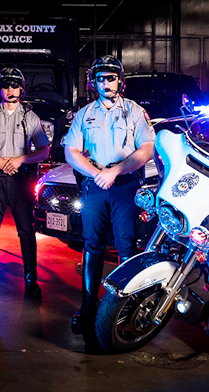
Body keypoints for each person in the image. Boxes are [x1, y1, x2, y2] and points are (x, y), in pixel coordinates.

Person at [63, 55, 155, 334]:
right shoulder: (84, 114)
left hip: (124, 186)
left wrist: (114, 172)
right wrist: (96, 173)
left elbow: (146, 149)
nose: (106, 82)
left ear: (120, 81)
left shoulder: (135, 112)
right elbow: (71, 150)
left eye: (111, 77)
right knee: (92, 245)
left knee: (126, 246)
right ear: (94, 82)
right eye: (101, 78)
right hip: (95, 187)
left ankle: (124, 305)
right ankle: (89, 305)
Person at [0, 67, 50, 299]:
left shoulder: (30, 117)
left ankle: (31, 280)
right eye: (6, 85)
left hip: (21, 178)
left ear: (22, 89)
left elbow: (44, 151)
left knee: (26, 229)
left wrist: (21, 159)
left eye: (15, 85)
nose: (11, 89)